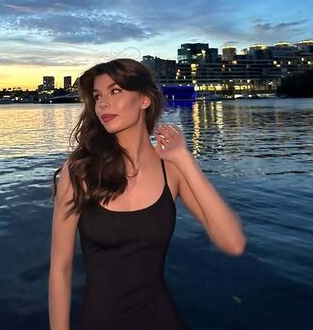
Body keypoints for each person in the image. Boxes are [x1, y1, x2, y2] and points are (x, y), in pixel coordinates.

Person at [48, 58, 246, 330]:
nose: (102, 103)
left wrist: (184, 159)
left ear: (144, 99)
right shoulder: (80, 172)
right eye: (97, 96)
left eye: (115, 91)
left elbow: (233, 243)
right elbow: (60, 269)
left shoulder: (171, 170)